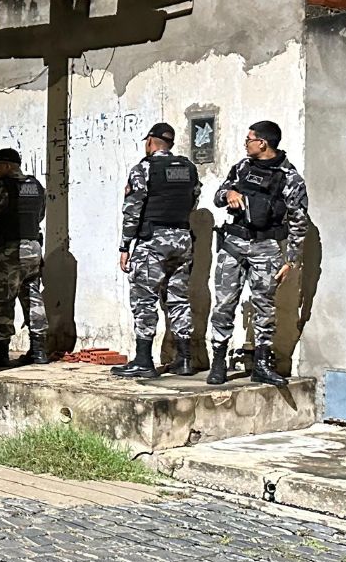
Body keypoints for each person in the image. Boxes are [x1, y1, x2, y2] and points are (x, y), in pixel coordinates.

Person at [207, 120, 309, 387]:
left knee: (265, 305)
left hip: (267, 248)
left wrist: (292, 260)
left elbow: (299, 220)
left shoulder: (290, 178)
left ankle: (262, 363)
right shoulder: (242, 168)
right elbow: (217, 196)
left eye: (249, 138)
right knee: (224, 303)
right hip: (233, 244)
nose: (245, 142)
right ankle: (218, 360)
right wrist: (228, 192)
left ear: (262, 143)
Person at [112, 122, 200, 379]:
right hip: (182, 240)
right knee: (179, 299)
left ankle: (143, 361)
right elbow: (194, 200)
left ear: (150, 142)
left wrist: (125, 245)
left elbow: (132, 210)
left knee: (144, 300)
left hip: (153, 241)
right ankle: (184, 360)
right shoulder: (189, 168)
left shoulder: (144, 169)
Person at [0, 148, 48, 368]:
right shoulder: (35, 186)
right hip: (33, 248)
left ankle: (0, 351)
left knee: (3, 298)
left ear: (7, 166)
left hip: (10, 250)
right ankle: (39, 350)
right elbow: (40, 214)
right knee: (32, 296)